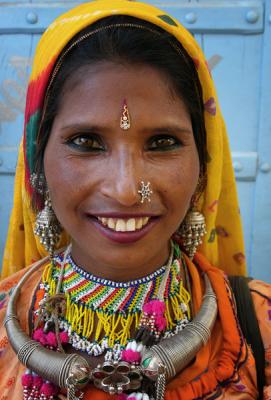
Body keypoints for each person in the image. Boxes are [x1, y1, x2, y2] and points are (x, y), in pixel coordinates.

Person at [0, 1, 270, 399]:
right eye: (86, 143)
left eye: (162, 143)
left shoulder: (259, 328)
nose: (126, 191)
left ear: (203, 167)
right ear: (36, 164)